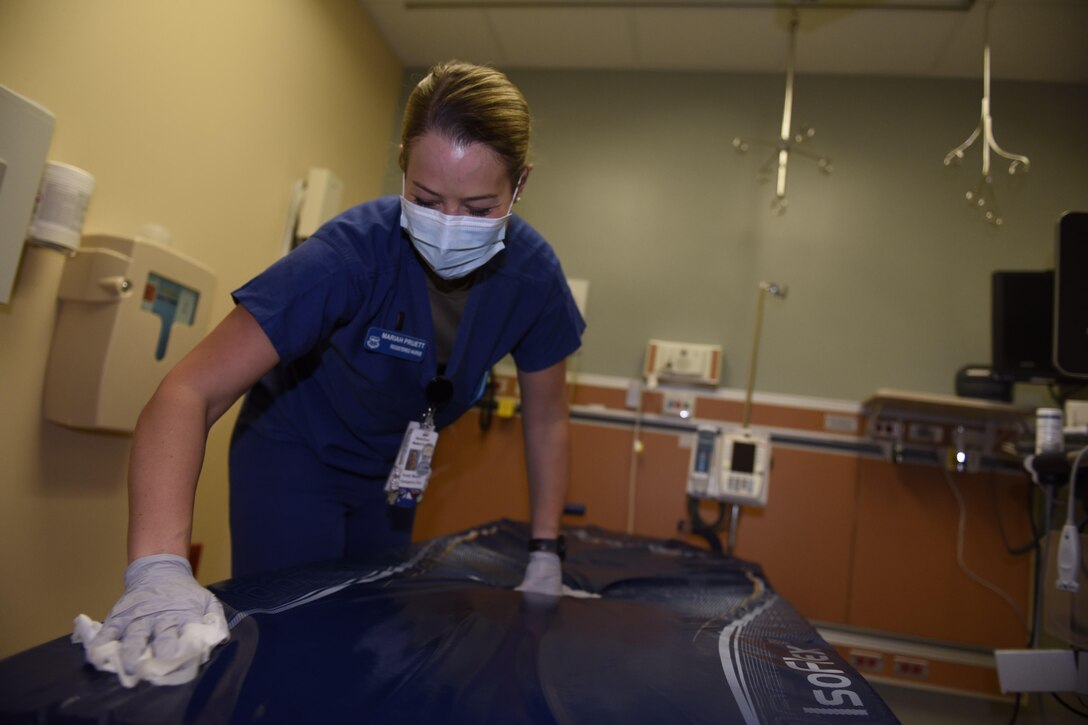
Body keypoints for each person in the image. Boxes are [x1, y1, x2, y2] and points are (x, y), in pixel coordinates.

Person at [87, 60, 586, 681]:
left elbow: (546, 419)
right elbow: (189, 389)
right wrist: (157, 566)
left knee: (370, 637)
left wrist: (545, 552)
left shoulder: (532, 278)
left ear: (520, 184)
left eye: (480, 207)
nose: (450, 224)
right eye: (427, 200)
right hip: (295, 457)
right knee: (291, 642)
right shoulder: (349, 256)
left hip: (393, 477)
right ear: (403, 162)